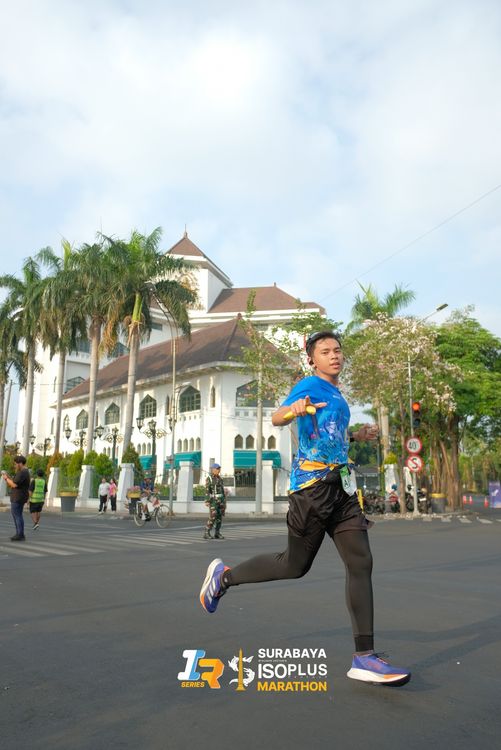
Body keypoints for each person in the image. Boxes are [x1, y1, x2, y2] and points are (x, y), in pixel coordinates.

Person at [199, 331, 411, 687]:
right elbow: (278, 417)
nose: (334, 355)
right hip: (312, 489)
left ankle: (365, 657)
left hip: (342, 489)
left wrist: (357, 436)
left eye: (338, 350)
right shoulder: (309, 385)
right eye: (325, 351)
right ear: (312, 359)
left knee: (361, 562)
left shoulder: (336, 394)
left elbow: (330, 435)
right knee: (294, 565)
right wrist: (291, 410)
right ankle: (224, 577)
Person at [2, 455, 31, 541]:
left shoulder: (22, 472)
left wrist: (6, 478)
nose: (15, 465)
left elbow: (14, 484)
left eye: (16, 464)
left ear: (20, 463)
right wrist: (9, 478)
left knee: (17, 515)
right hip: (19, 496)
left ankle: (20, 534)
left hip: (18, 497)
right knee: (17, 515)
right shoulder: (24, 472)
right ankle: (19, 533)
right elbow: (15, 482)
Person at [203, 463, 226, 540]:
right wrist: (207, 500)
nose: (218, 470)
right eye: (217, 469)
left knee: (219, 518)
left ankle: (217, 533)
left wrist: (224, 502)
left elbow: (222, 491)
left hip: (221, 501)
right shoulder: (209, 478)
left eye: (219, 469)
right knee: (213, 516)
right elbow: (207, 490)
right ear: (213, 469)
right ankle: (207, 532)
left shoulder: (220, 479)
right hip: (214, 501)